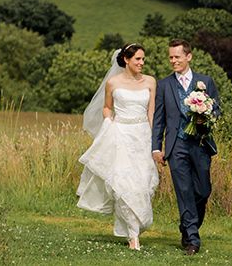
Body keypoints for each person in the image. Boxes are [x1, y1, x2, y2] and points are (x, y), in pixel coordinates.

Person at [77, 43, 160, 250]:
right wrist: (108, 122)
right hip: (120, 137)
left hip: (142, 138)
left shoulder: (150, 82)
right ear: (126, 60)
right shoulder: (113, 83)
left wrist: (156, 142)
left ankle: (136, 226)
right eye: (138, 59)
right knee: (124, 185)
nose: (142, 63)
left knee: (142, 186)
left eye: (143, 59)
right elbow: (107, 108)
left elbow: (151, 113)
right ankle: (133, 237)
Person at [152, 38, 221, 256]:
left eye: (177, 57)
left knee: (203, 191)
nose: (173, 61)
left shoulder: (205, 81)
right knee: (184, 191)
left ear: (188, 57)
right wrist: (156, 148)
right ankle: (192, 238)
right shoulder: (163, 85)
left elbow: (217, 110)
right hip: (176, 145)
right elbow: (159, 118)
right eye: (170, 57)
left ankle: (186, 225)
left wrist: (205, 117)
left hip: (200, 144)